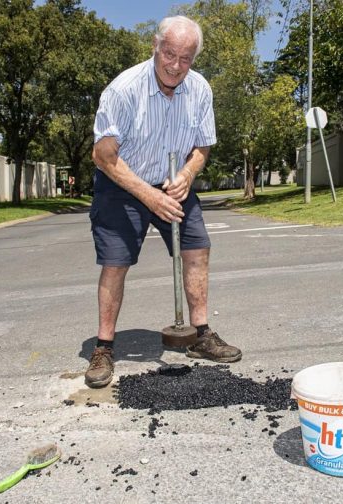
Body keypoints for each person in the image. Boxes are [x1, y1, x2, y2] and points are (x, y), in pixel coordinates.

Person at [85, 15, 242, 388]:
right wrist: (149, 195)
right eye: (169, 54)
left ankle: (200, 335)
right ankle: (104, 347)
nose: (175, 65)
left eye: (185, 58)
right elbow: (103, 155)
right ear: (155, 46)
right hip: (122, 181)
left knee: (197, 247)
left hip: (173, 183)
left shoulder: (200, 90)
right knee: (116, 262)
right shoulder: (124, 90)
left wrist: (187, 174)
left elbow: (202, 146)